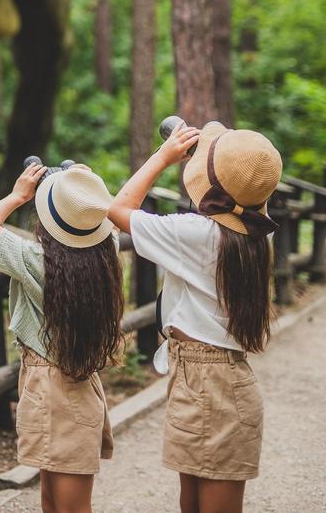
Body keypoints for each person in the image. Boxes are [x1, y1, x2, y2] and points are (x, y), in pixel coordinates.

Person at [108, 120, 282, 513]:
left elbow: (118, 209)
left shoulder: (196, 234)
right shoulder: (259, 235)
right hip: (217, 378)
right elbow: (244, 193)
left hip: (204, 380)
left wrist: (163, 156)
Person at [0, 161, 123, 513]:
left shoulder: (34, 258)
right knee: (55, 500)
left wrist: (17, 194)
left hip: (47, 385)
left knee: (61, 504)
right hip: (74, 384)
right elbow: (113, 213)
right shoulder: (105, 255)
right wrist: (85, 185)